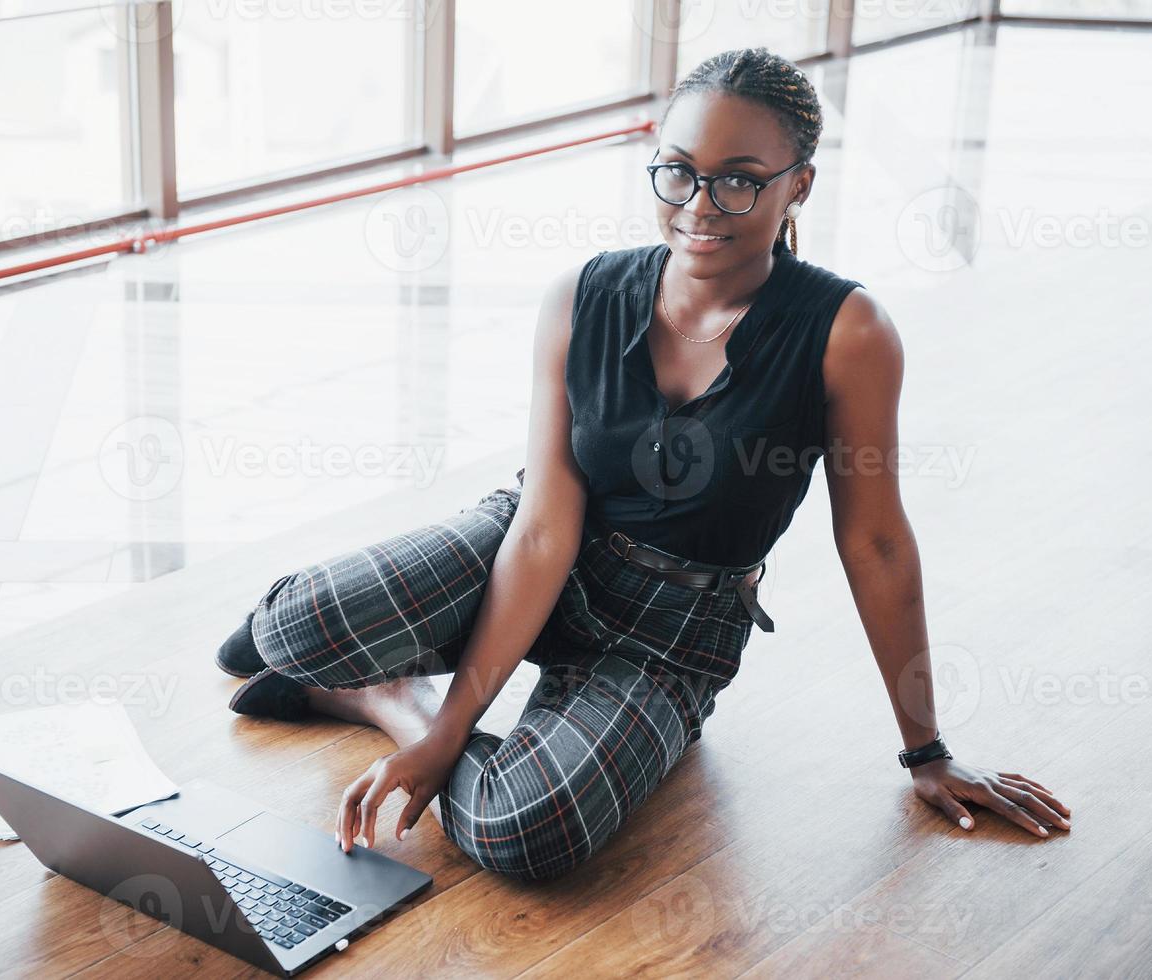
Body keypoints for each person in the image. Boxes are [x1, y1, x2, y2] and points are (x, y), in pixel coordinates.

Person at [215, 47, 1071, 883]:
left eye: (738, 178)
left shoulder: (847, 333)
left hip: (671, 629)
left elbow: (877, 544)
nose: (700, 203)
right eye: (677, 171)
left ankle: (388, 699)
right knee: (287, 631)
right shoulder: (581, 296)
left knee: (524, 833)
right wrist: (459, 736)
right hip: (535, 548)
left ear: (798, 184)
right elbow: (545, 525)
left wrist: (926, 751)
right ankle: (388, 685)